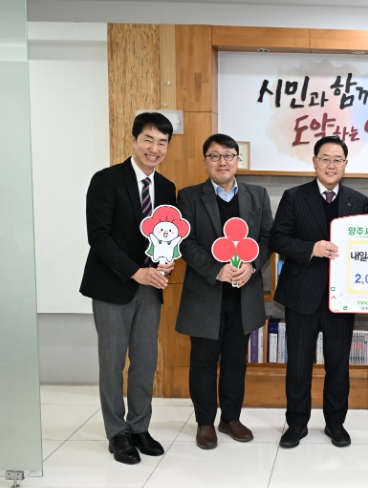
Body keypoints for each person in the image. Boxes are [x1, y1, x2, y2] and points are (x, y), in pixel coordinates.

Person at [80, 112, 177, 464]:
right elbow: (99, 237)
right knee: (112, 362)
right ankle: (117, 433)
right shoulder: (106, 180)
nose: (155, 148)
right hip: (112, 286)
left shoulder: (166, 188)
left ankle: (139, 427)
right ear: (134, 140)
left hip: (151, 287)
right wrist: (136, 272)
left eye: (162, 142)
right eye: (148, 139)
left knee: (145, 361)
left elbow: (166, 236)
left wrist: (166, 260)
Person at [270, 135, 368, 448]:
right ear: (314, 161)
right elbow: (278, 239)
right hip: (302, 293)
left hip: (342, 296)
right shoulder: (294, 196)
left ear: (345, 164)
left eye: (337, 159)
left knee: (338, 365)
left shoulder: (358, 200)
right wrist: (310, 248)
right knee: (299, 364)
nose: (331, 165)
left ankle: (335, 423)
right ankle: (296, 424)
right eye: (325, 158)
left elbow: (365, 247)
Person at [176, 134, 273, 450]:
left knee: (235, 361)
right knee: (203, 361)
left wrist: (253, 265)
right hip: (206, 292)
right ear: (205, 160)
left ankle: (230, 418)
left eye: (229, 155)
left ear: (237, 160)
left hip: (243, 293)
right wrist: (215, 269)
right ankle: (205, 422)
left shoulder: (257, 195)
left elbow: (267, 237)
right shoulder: (189, 196)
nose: (222, 162)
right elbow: (185, 241)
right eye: (215, 156)